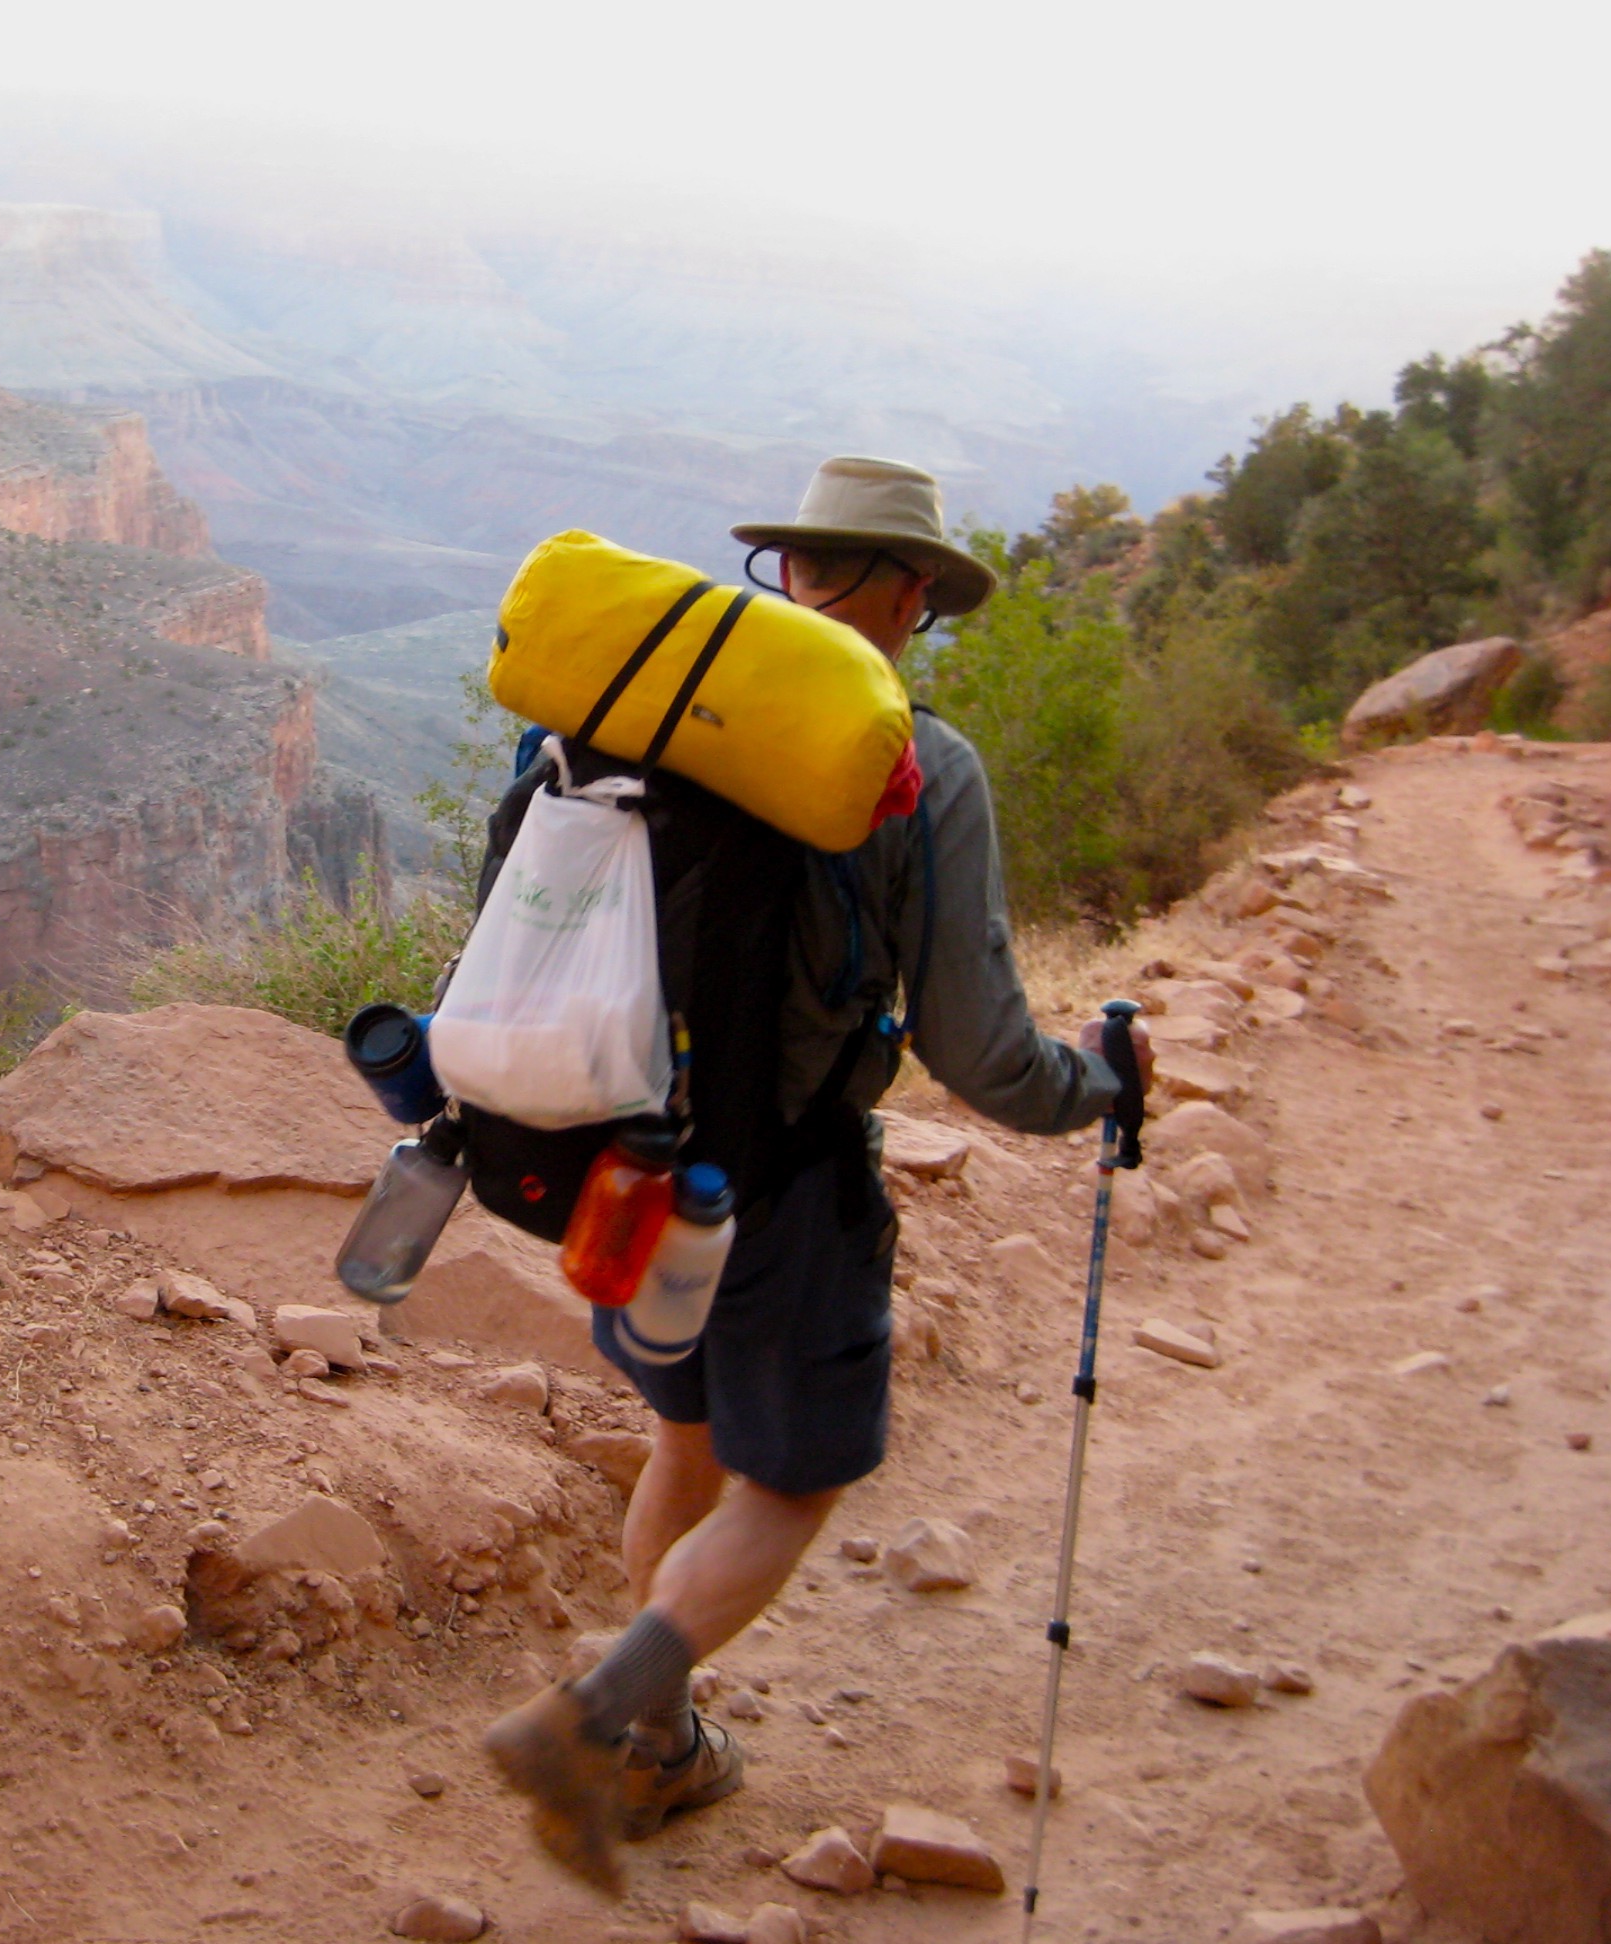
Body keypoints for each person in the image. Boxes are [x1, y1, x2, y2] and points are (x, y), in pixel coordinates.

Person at [483, 454, 1156, 1892]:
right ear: (914, 594)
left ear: (790, 570)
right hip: (785, 1194)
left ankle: (660, 1750)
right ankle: (594, 1722)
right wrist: (1097, 1082)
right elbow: (983, 1053)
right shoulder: (922, 766)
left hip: (622, 1170)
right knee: (789, 1490)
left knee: (686, 1446)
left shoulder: (637, 714)